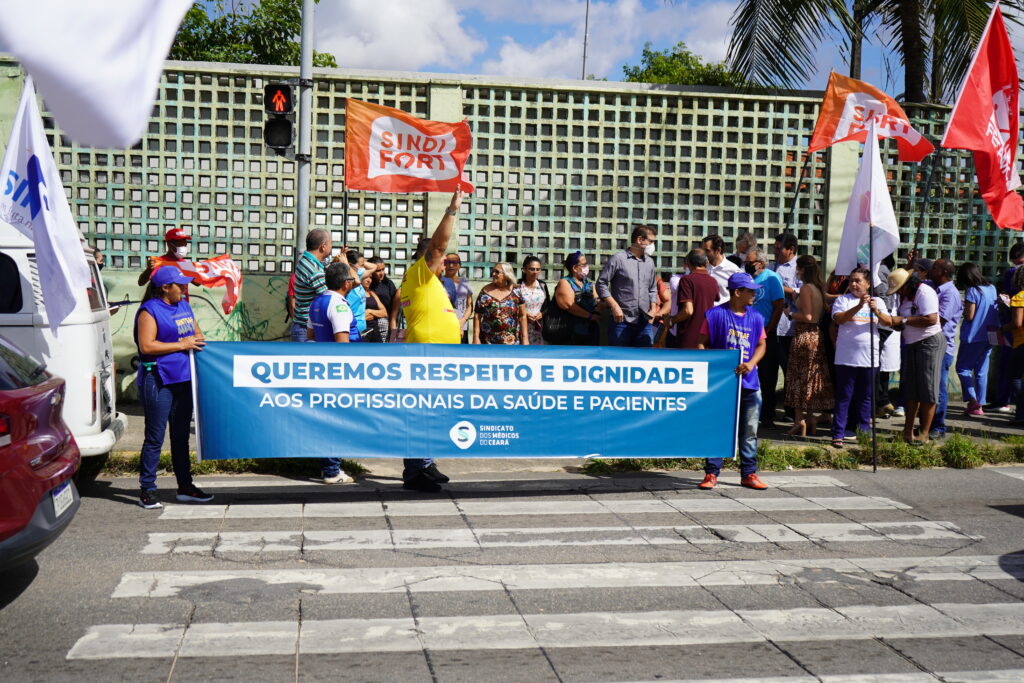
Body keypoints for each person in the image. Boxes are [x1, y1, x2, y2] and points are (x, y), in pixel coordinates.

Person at [398, 188, 465, 491]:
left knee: (431, 410)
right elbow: (439, 245)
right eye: (440, 260)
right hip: (427, 355)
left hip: (435, 354)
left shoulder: (427, 281)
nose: (443, 264)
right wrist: (451, 211)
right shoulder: (422, 273)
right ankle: (416, 471)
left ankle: (425, 462)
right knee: (423, 412)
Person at [133, 266, 212, 509]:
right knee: (155, 437)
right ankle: (147, 489)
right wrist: (182, 344)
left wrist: (194, 340)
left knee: (180, 438)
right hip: (158, 379)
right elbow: (147, 346)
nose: (184, 288)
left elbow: (197, 335)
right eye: (180, 285)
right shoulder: (149, 310)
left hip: (183, 379)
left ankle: (185, 486)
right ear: (165, 288)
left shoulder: (184, 306)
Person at [696, 272, 769, 491]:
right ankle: (711, 472)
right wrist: (715, 365)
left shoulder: (756, 317)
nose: (754, 295)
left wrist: (752, 363)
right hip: (722, 385)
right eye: (750, 291)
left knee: (749, 430)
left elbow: (761, 345)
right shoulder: (714, 315)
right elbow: (701, 343)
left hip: (750, 383)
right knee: (717, 427)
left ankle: (749, 473)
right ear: (737, 292)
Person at [307, 262, 361, 483]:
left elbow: (310, 335)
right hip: (339, 372)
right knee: (335, 420)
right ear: (346, 284)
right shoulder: (339, 305)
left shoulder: (317, 301)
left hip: (323, 369)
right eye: (351, 279)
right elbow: (343, 344)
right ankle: (332, 470)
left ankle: (329, 466)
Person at [830, 268, 892, 448]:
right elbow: (839, 319)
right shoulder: (843, 300)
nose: (854, 284)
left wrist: (877, 311)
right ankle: (838, 433)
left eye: (858, 281)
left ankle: (864, 432)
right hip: (846, 358)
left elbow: (888, 322)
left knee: (865, 397)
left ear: (868, 284)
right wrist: (858, 306)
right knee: (844, 397)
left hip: (869, 358)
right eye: (851, 281)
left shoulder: (877, 301)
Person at [888, 268, 943, 444]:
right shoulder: (905, 296)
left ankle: (924, 434)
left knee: (927, 390)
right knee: (911, 389)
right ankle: (907, 431)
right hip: (911, 344)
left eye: (900, 289)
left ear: (908, 284)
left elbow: (931, 319)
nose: (898, 293)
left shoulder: (924, 292)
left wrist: (903, 321)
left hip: (929, 343)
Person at [783, 255, 834, 436]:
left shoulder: (806, 288)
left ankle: (799, 421)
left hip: (804, 335)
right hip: (816, 336)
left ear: (802, 269)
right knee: (811, 380)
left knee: (799, 379)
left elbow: (808, 316)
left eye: (798, 268)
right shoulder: (818, 288)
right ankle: (810, 418)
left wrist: (789, 313)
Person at [597, 225, 659, 347]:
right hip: (621, 320)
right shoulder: (618, 259)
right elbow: (601, 283)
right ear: (640, 239)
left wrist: (653, 308)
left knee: (645, 359)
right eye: (651, 241)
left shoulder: (649, 262)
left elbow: (652, 288)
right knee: (618, 358)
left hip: (644, 321)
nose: (653, 246)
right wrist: (614, 306)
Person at [744, 247, 784, 427]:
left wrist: (769, 329)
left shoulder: (771, 278)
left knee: (767, 377)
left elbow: (779, 305)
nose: (747, 266)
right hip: (746, 332)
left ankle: (767, 414)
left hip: (766, 332)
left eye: (749, 263)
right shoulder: (747, 278)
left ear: (760, 263)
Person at [955, 263, 998, 416]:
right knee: (981, 371)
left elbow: (969, 316)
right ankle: (981, 403)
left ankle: (973, 401)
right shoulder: (992, 288)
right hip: (990, 335)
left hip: (973, 336)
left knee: (963, 368)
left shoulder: (972, 291)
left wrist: (963, 307)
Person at [928, 259, 962, 438]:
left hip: (942, 348)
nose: (930, 270)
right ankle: (928, 424)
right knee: (929, 388)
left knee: (939, 389)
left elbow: (939, 321)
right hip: (931, 346)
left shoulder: (950, 294)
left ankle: (938, 427)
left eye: (934, 268)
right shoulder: (934, 288)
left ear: (943, 273)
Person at [771, 232, 802, 418]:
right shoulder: (772, 266)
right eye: (774, 248)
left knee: (789, 371)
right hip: (771, 327)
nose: (775, 252)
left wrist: (780, 287)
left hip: (789, 329)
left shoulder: (799, 268)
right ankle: (768, 409)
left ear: (791, 250)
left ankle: (791, 410)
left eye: (779, 248)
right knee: (769, 373)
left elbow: (802, 293)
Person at [991, 242, 1024, 413]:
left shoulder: (1014, 275)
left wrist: (1003, 328)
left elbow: (1015, 318)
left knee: (1011, 371)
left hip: (1015, 333)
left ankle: (1005, 401)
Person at [669, 249, 718, 350]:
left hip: (688, 336)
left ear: (688, 263)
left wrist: (671, 320)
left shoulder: (686, 280)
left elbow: (688, 311)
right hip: (706, 336)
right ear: (707, 262)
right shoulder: (713, 281)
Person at [291, 228, 332, 342]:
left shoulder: (306, 260)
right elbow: (329, 297)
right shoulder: (314, 270)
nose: (331, 247)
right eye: (330, 243)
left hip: (304, 327)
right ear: (323, 246)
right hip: (307, 331)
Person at [553, 251, 601, 346]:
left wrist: (600, 307)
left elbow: (597, 300)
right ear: (574, 268)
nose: (587, 267)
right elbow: (569, 305)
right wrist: (590, 316)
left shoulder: (589, 283)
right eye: (584, 264)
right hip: (570, 331)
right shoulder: (565, 282)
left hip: (590, 330)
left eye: (587, 264)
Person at [474, 262, 528, 345]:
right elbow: (477, 315)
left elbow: (522, 315)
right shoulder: (485, 292)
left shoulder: (516, 291)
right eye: (493, 271)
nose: (493, 274)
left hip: (511, 341)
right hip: (488, 340)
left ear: (506, 274)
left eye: (497, 272)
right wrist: (476, 338)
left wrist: (525, 338)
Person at [138, 227, 193, 300]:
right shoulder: (160, 262)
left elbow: (198, 282)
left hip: (182, 307)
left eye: (184, 242)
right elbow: (141, 282)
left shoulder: (185, 264)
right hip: (165, 307)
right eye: (179, 243)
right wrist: (149, 270)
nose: (183, 245)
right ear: (169, 244)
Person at [517, 255, 549, 346]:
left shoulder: (542, 285)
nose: (535, 272)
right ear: (524, 270)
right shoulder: (518, 285)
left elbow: (547, 305)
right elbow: (512, 305)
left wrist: (542, 313)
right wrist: (525, 314)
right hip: (521, 325)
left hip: (539, 326)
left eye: (537, 269)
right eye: (532, 269)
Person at [701, 234, 741, 304]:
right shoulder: (701, 267)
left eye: (707, 250)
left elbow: (741, 295)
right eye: (703, 250)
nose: (703, 253)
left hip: (724, 313)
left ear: (718, 250)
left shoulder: (733, 270)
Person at [443, 252, 474, 342]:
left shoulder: (464, 282)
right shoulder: (438, 281)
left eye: (454, 262)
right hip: (444, 325)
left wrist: (463, 321)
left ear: (459, 265)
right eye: (448, 262)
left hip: (462, 326)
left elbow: (469, 305)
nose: (451, 265)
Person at [368, 256, 397, 343]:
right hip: (371, 323)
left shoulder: (388, 284)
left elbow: (394, 305)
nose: (381, 273)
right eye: (378, 271)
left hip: (387, 322)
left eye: (383, 269)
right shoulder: (367, 284)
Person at [361, 269, 389, 342]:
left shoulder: (372, 293)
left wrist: (369, 311)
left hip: (375, 331)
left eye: (370, 277)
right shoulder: (353, 294)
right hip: (362, 331)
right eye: (366, 277)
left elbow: (384, 312)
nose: (369, 280)